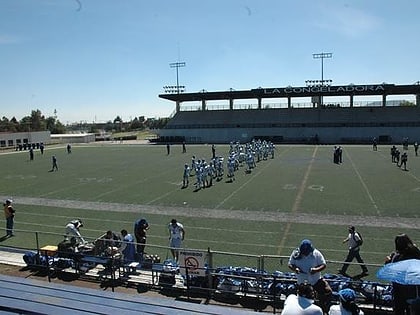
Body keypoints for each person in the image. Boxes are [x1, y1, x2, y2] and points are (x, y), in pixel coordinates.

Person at [288, 239, 332, 312]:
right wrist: (295, 269)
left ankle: (323, 309)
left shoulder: (316, 253)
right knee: (303, 301)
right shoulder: (295, 254)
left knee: (328, 292)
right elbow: (290, 264)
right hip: (302, 284)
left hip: (315, 281)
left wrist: (316, 270)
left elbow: (323, 265)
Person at [385, 233, 420, 315]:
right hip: (414, 289)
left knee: (399, 310)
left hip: (400, 290)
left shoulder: (397, 257)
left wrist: (388, 261)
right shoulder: (416, 253)